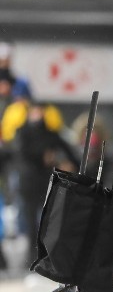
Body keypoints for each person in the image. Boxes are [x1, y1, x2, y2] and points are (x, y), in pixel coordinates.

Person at [13, 101, 77, 259]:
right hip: (29, 183)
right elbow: (22, 154)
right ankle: (31, 255)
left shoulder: (50, 133)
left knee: (47, 219)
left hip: (45, 182)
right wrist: (43, 156)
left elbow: (67, 150)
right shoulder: (22, 132)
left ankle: (45, 253)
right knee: (30, 220)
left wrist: (70, 164)